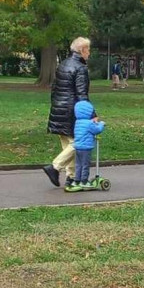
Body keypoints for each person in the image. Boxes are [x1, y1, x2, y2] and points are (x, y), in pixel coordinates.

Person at [44, 37, 96, 190]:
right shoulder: (80, 68)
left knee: (67, 143)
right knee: (77, 143)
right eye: (88, 50)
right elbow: (82, 94)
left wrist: (55, 106)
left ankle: (71, 177)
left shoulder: (63, 64)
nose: (89, 53)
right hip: (71, 111)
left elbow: (54, 88)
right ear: (81, 51)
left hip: (58, 108)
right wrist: (92, 114)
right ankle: (55, 167)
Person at [66, 100, 105, 192]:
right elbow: (97, 130)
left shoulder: (78, 122)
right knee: (85, 164)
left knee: (78, 164)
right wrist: (101, 124)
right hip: (86, 148)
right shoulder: (89, 123)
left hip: (78, 147)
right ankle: (84, 181)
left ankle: (77, 180)